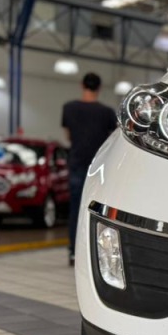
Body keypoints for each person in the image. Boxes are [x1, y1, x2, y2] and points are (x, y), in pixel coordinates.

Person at [62, 73, 117, 265]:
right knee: (98, 210)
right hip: (99, 168)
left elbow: (68, 136)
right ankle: (94, 254)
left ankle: (73, 252)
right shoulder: (107, 113)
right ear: (99, 88)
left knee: (75, 209)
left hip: (77, 164)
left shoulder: (69, 108)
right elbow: (111, 141)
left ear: (82, 85)